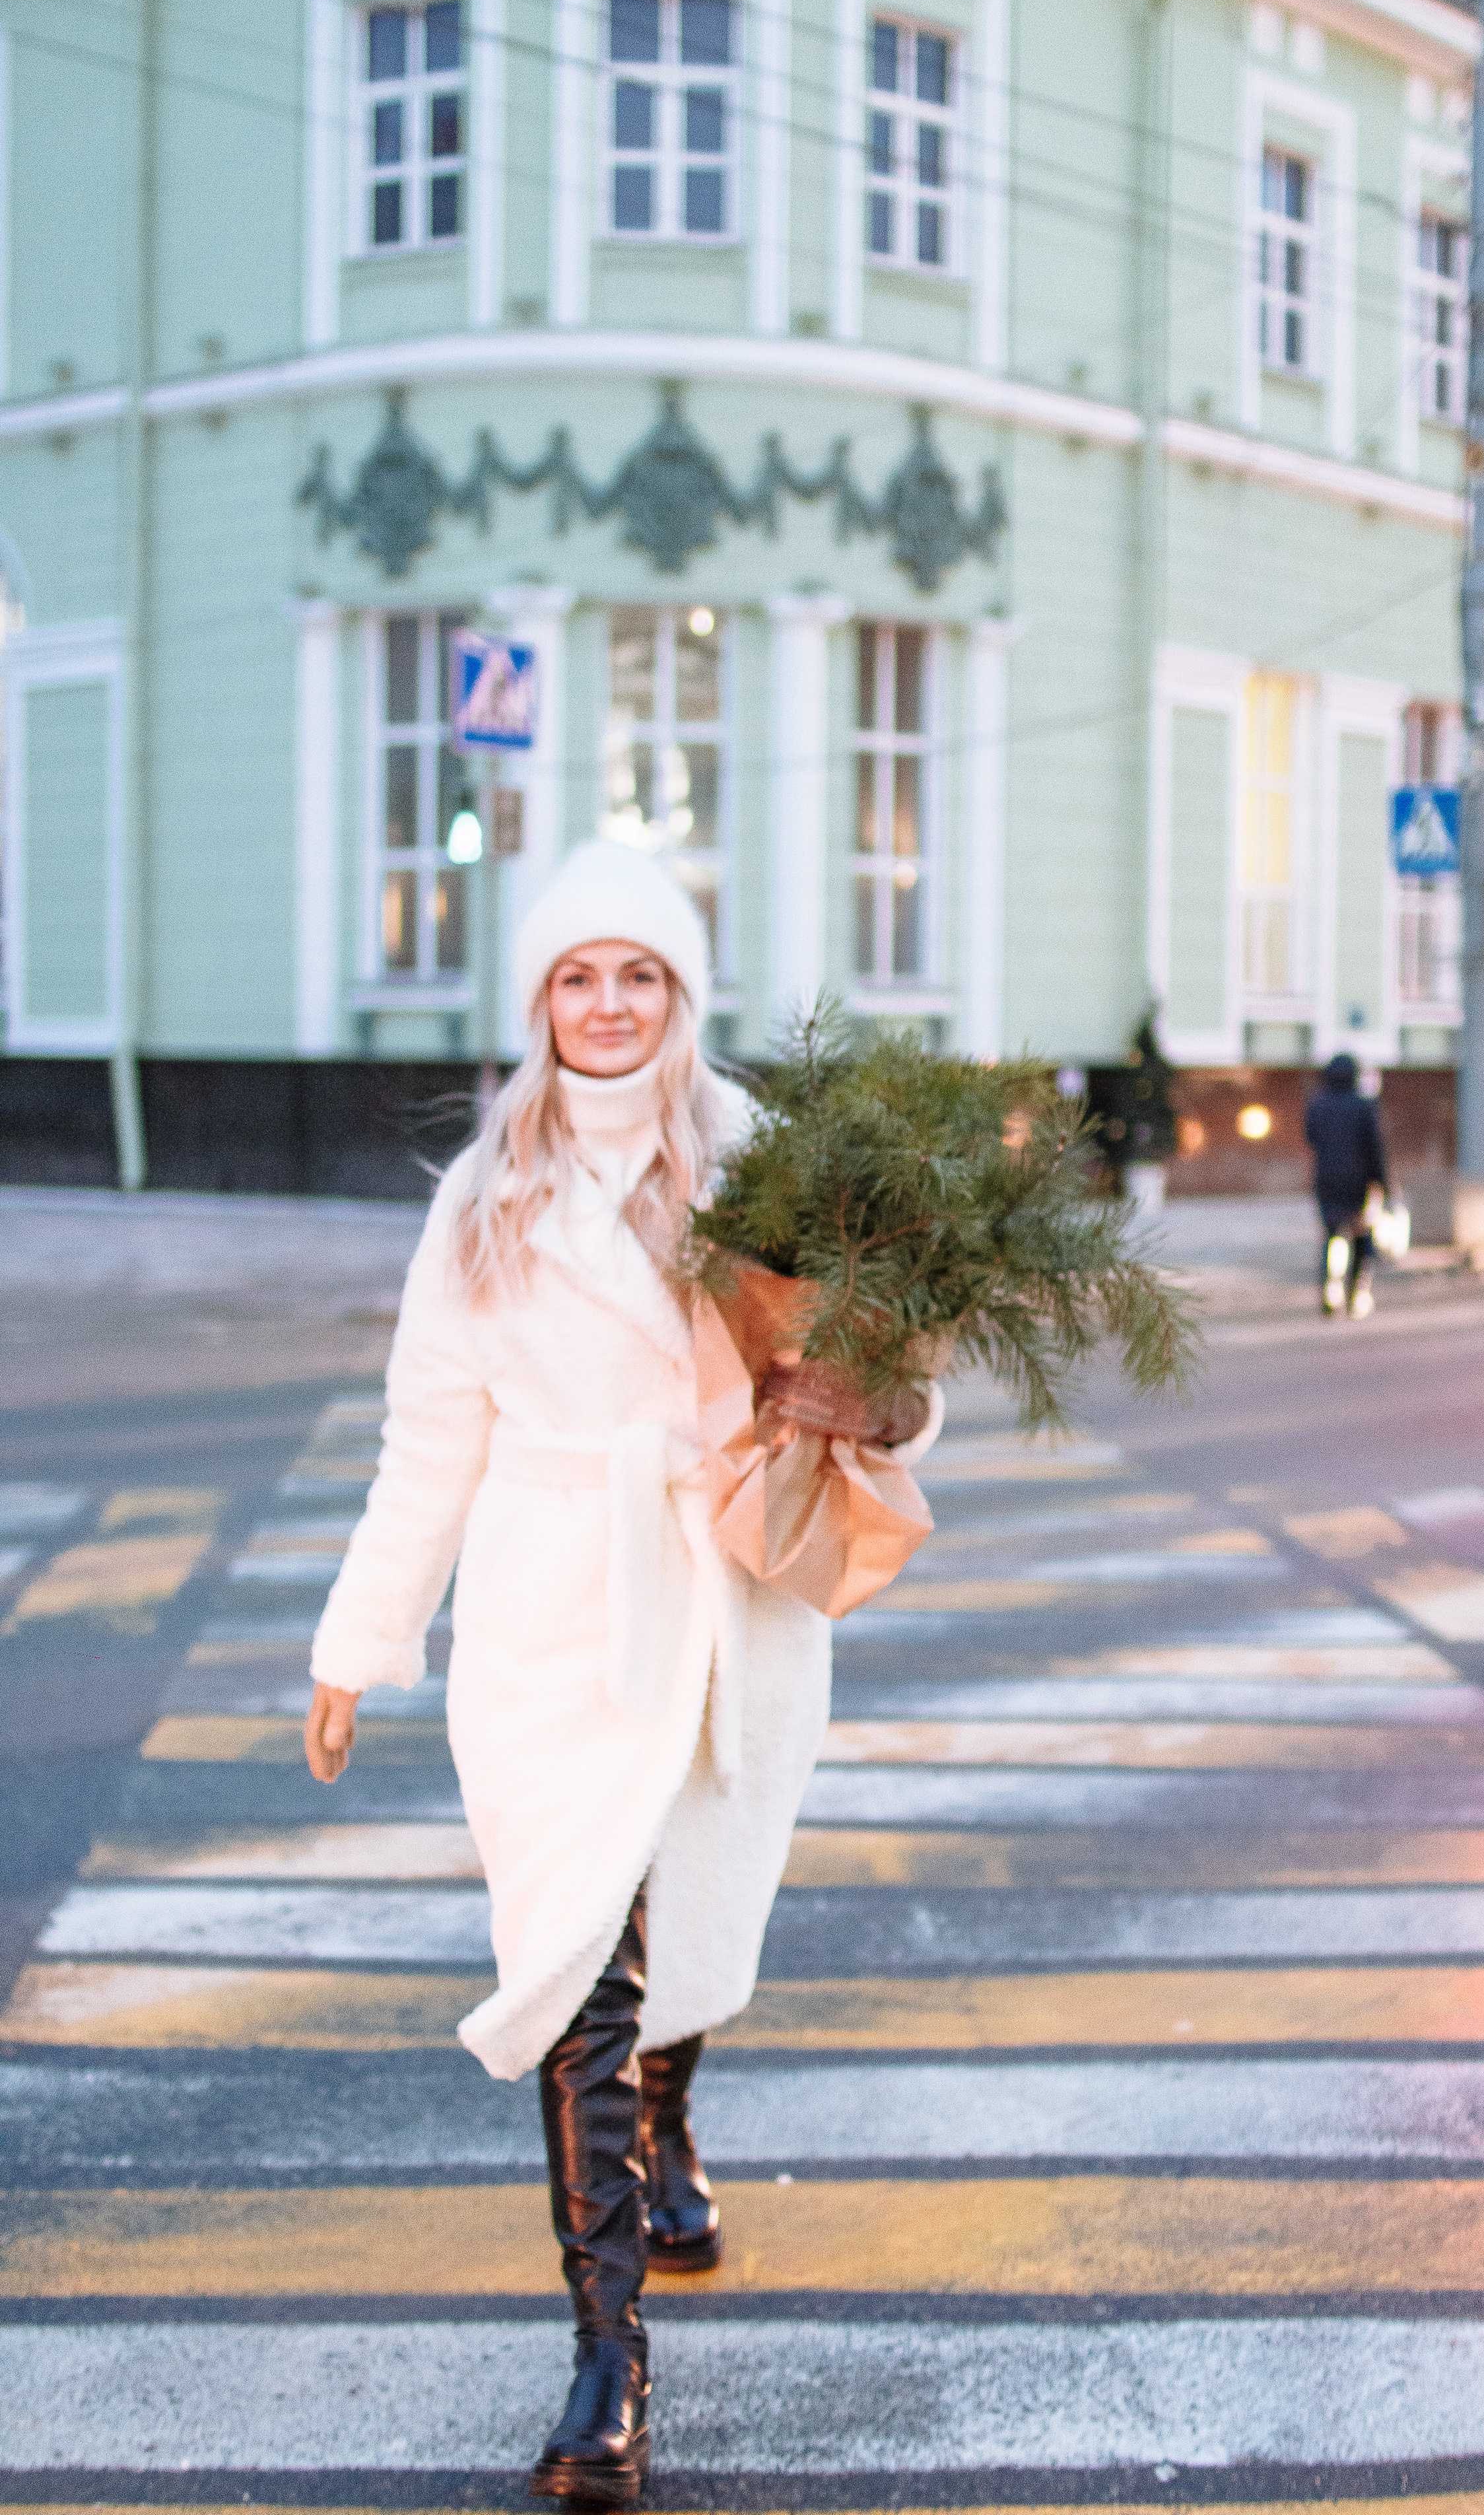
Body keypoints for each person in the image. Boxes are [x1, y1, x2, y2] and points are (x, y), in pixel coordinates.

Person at [301, 841, 940, 2505]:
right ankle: (607, 2350)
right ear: (539, 1002)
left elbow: (878, 1360)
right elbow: (427, 1439)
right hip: (547, 1609)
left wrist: (874, 1398)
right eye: (577, 977)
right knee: (577, 1940)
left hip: (724, 1593)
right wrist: (360, 1641)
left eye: (637, 975)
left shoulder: (759, 1164)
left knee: (687, 1907)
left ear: (678, 995)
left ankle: (667, 2113)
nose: (606, 1004)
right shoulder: (482, 1195)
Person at [1303, 1052, 1388, 1318]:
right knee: (1361, 1237)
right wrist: (1381, 1182)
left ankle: (1329, 1294)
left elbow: (1310, 1137)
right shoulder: (1363, 1106)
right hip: (1357, 1182)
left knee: (1331, 1237)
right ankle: (1356, 1296)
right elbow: (1374, 1148)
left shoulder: (1317, 1105)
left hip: (1326, 1181)